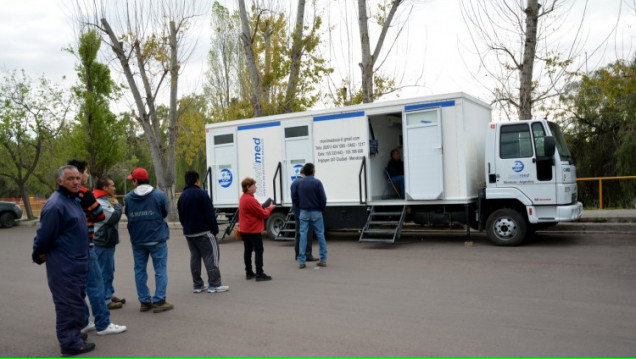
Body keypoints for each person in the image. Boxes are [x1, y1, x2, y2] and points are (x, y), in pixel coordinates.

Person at [32, 165, 94, 356]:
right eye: (70, 179)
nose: (76, 182)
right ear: (60, 181)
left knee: (76, 303)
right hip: (65, 266)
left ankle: (74, 336)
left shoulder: (72, 200)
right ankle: (70, 345)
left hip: (77, 263)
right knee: (69, 306)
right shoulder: (56, 204)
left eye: (77, 178)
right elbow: (44, 235)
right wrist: (38, 253)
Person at [67, 159, 126, 337]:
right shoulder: (84, 194)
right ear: (78, 174)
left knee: (79, 286)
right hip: (87, 244)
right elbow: (100, 216)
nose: (85, 177)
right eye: (85, 173)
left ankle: (84, 321)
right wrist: (116, 208)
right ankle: (103, 323)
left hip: (71, 247)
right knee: (95, 284)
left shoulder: (62, 196)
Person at [124, 167, 174, 313]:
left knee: (139, 270)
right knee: (160, 269)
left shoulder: (128, 197)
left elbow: (128, 214)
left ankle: (144, 301)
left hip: (137, 239)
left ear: (135, 181)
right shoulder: (159, 195)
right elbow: (164, 212)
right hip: (157, 238)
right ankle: (159, 300)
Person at [177, 170, 229, 294]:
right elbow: (209, 214)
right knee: (211, 256)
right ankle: (215, 284)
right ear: (197, 180)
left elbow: (181, 216)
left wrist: (187, 227)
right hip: (204, 231)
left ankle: (197, 284)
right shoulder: (202, 194)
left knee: (195, 257)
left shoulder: (182, 196)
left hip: (189, 232)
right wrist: (215, 230)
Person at [93, 177, 126, 308]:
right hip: (102, 241)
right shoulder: (99, 201)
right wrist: (118, 205)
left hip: (106, 240)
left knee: (109, 270)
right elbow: (113, 218)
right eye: (112, 185)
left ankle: (109, 293)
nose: (114, 188)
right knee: (104, 271)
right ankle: (106, 299)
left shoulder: (104, 200)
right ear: (105, 188)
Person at [238, 177, 275, 281]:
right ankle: (259, 273)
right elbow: (263, 214)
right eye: (254, 185)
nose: (256, 187)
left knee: (248, 250)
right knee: (258, 250)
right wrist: (270, 208)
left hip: (245, 229)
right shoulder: (250, 199)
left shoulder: (243, 197)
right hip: (252, 230)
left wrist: (263, 208)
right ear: (248, 187)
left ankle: (249, 272)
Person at [292, 163, 328, 269]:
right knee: (320, 235)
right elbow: (323, 198)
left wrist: (300, 206)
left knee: (303, 235)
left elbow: (295, 198)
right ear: (313, 171)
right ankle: (323, 259)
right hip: (316, 211)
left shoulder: (299, 183)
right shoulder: (317, 182)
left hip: (304, 211)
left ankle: (302, 261)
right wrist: (321, 208)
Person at [290, 167, 317, 261]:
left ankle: (298, 255)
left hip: (297, 212)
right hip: (305, 212)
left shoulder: (294, 182)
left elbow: (294, 199)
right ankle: (307, 254)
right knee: (308, 234)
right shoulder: (302, 182)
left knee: (298, 233)